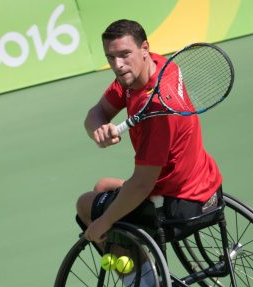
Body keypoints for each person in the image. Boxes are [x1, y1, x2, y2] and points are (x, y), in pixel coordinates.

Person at [77, 19, 222, 244]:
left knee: (86, 205)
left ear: (144, 48)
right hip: (204, 181)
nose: (118, 65)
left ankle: (144, 280)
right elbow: (97, 112)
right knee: (102, 186)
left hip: (177, 204)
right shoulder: (155, 66)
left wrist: (102, 222)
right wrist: (99, 129)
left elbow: (141, 184)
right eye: (110, 57)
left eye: (125, 54)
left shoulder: (158, 111)